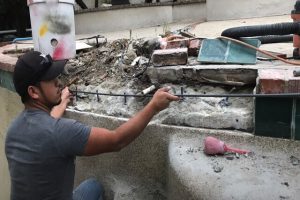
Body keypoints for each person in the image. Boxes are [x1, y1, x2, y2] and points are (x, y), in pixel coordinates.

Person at [5, 51, 179, 200]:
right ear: (33, 92)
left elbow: (47, 127)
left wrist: (61, 103)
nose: (59, 82)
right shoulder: (62, 131)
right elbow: (116, 140)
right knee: (94, 186)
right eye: (51, 80)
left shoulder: (13, 131)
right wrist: (153, 106)